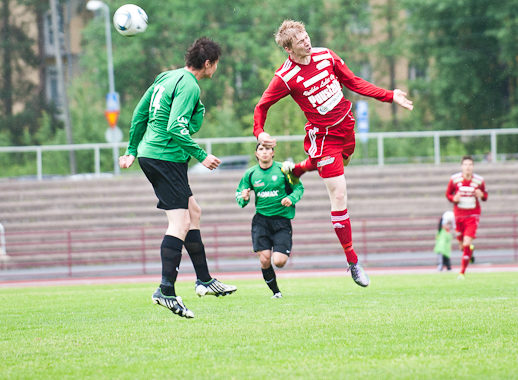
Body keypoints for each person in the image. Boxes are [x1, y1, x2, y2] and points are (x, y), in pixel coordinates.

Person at [253, 20, 413, 287]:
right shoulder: (285, 77)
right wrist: (260, 132)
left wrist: (388, 95)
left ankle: (299, 169)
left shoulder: (326, 55)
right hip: (324, 139)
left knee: (344, 161)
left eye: (306, 34)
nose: (307, 40)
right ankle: (353, 262)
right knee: (339, 194)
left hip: (347, 128)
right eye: (300, 39)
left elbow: (354, 82)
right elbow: (262, 106)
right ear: (289, 49)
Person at [119, 37, 237, 319]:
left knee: (193, 212)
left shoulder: (167, 76)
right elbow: (175, 127)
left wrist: (132, 150)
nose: (216, 68)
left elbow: (140, 113)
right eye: (216, 64)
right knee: (180, 222)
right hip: (165, 157)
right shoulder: (189, 86)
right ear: (208, 64)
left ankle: (205, 280)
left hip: (155, 154)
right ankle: (165, 291)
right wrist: (201, 155)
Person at [236, 143, 304, 298]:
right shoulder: (250, 173)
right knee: (265, 259)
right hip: (261, 221)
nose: (264, 152)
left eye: (268, 149)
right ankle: (276, 292)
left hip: (281, 221)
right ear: (256, 153)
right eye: (261, 149)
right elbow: (240, 193)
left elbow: (299, 188)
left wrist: (291, 198)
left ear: (273, 153)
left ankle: (276, 288)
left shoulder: (283, 170)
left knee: (279, 261)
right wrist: (244, 197)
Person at [446, 156, 488, 278]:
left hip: (472, 215)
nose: (468, 167)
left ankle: (462, 272)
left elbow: (485, 196)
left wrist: (482, 195)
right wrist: (453, 198)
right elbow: (448, 194)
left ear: (473, 166)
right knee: (461, 245)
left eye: (470, 164)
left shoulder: (479, 180)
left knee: (466, 242)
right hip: (459, 216)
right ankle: (470, 251)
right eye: (465, 164)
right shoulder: (454, 179)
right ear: (462, 166)